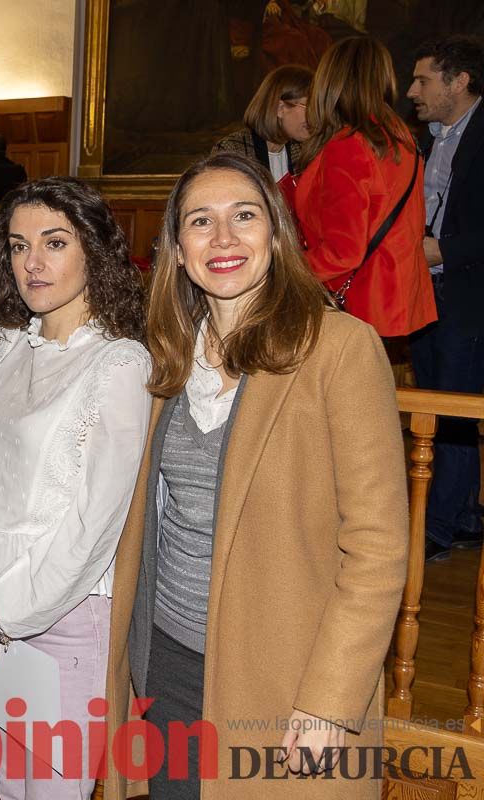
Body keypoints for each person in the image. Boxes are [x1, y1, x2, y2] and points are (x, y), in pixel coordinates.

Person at [103, 152, 408, 799]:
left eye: (243, 216)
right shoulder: (165, 359)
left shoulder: (340, 349)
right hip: (166, 661)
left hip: (288, 673)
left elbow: (378, 550)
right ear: (177, 251)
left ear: (275, 234)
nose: (223, 238)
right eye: (200, 222)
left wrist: (330, 699)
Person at [0, 176, 150, 798]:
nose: (33, 262)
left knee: (56, 792)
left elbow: (92, 527)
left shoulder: (118, 364)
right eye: (19, 244)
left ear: (93, 249)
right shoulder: (5, 347)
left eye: (54, 242)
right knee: (11, 786)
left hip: (68, 611)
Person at [294, 36, 437, 339]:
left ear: (331, 82)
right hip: (392, 298)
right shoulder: (398, 135)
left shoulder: (350, 145)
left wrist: (287, 271)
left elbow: (343, 251)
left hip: (359, 302)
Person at [406, 35, 484, 562]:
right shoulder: (433, 136)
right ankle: (461, 518)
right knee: (431, 403)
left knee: (452, 410)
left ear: (459, 81)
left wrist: (443, 251)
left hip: (466, 293)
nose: (412, 91)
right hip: (424, 292)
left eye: (423, 80)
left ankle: (436, 528)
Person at [211, 63, 313, 183]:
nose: (316, 115)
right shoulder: (232, 151)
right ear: (280, 109)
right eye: (309, 106)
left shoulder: (305, 151)